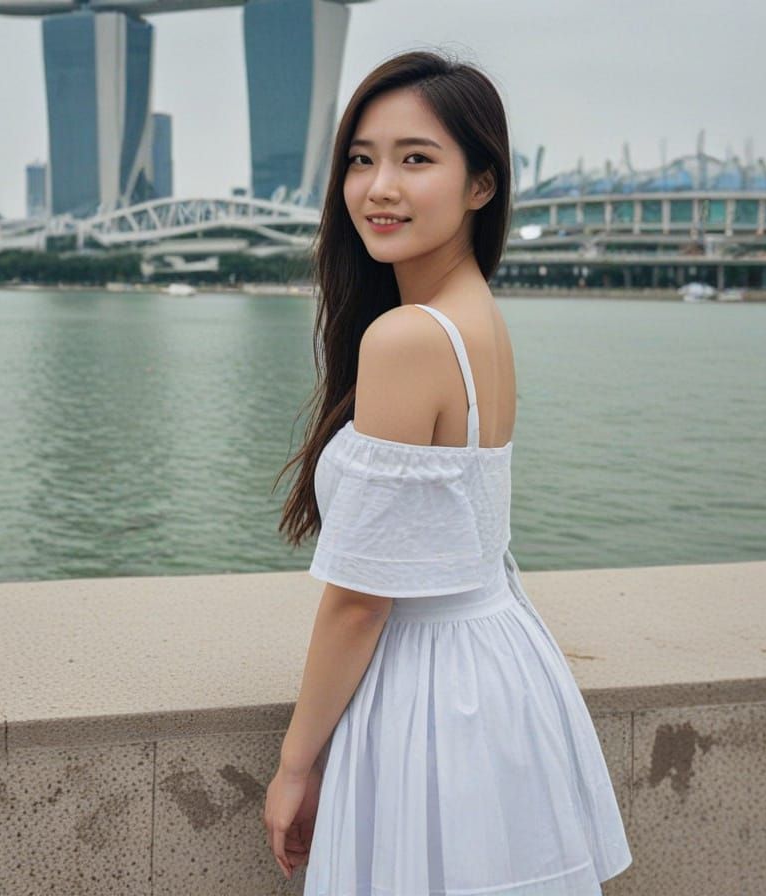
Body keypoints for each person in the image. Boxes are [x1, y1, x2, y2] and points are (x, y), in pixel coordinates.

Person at [265, 49, 633, 894]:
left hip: (430, 692)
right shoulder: (478, 320)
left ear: (481, 184)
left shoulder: (409, 338)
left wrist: (294, 764)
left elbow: (361, 601)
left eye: (416, 159)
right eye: (362, 160)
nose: (379, 187)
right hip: (500, 669)